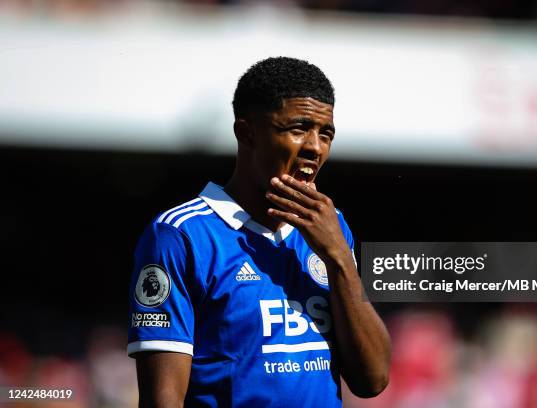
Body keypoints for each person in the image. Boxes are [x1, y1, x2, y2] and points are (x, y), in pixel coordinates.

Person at [127, 56, 390, 407]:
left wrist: (339, 257)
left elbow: (372, 380)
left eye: (325, 134)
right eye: (298, 128)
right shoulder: (181, 236)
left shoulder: (331, 227)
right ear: (246, 132)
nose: (314, 146)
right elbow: (163, 400)